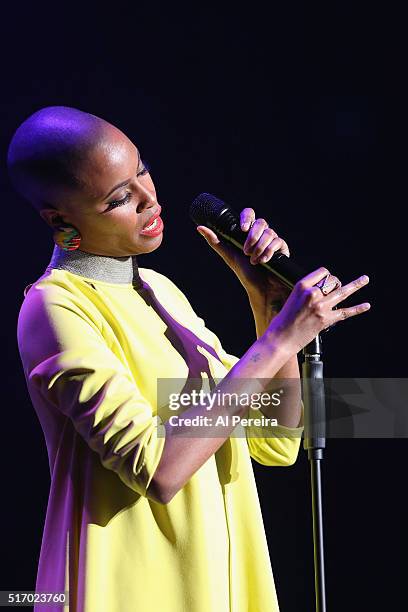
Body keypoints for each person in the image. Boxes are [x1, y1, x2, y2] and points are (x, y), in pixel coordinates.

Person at [9, 106, 370, 612]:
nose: (149, 199)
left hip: (219, 583)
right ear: (59, 219)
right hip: (134, 590)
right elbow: (158, 470)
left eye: (142, 169)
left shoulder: (159, 290)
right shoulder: (54, 308)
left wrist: (266, 306)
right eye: (119, 199)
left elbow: (276, 440)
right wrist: (279, 343)